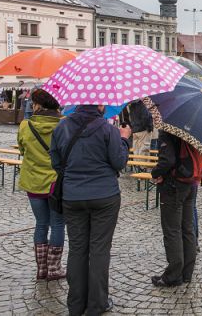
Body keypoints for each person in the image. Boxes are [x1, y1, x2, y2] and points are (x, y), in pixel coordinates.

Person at [50, 105, 131, 316]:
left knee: (77, 249)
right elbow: (119, 162)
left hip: (73, 196)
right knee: (99, 250)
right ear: (100, 105)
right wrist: (124, 139)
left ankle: (75, 305)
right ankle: (97, 304)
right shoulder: (108, 130)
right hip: (104, 196)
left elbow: (57, 162)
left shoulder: (62, 127)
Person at [17, 89, 64, 281]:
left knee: (41, 224)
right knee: (58, 223)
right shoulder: (63, 125)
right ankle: (54, 269)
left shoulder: (25, 126)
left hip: (33, 182)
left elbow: (22, 149)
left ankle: (41, 269)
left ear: (38, 105)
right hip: (56, 183)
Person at [150, 131, 202, 287]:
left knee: (172, 229)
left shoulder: (169, 129)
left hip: (174, 185)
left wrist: (155, 173)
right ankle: (187, 272)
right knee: (187, 227)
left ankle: (174, 275)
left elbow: (167, 160)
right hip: (191, 182)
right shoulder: (193, 126)